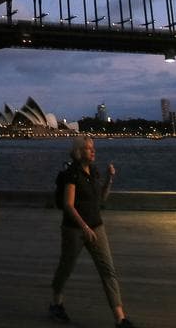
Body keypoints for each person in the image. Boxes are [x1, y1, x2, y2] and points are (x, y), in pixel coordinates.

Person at [49, 136, 134, 327]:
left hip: (97, 227)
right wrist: (84, 227)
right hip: (74, 230)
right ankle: (56, 303)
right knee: (66, 267)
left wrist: (110, 178)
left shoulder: (94, 171)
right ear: (79, 152)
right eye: (88, 148)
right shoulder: (72, 173)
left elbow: (101, 199)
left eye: (93, 147)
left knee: (107, 270)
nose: (92, 151)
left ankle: (120, 318)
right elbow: (68, 205)